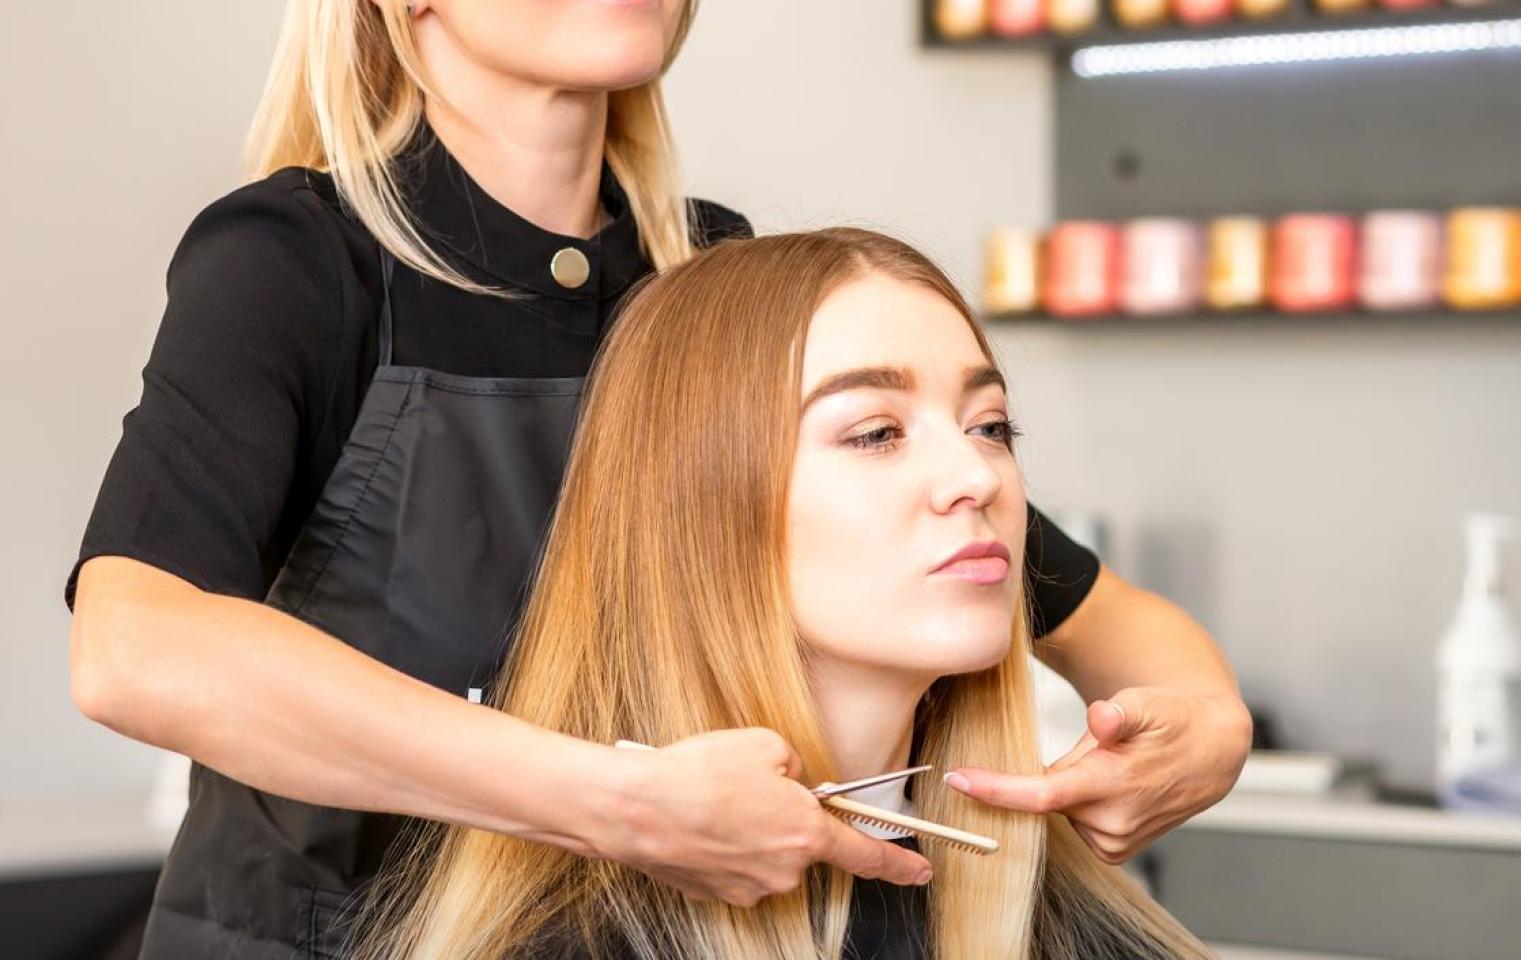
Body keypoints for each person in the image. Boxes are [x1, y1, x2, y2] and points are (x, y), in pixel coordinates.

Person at [65, 1, 1251, 957]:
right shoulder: (295, 266)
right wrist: (614, 802)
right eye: (874, 432)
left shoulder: (713, 285)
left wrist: (1206, 724)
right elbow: (136, 649)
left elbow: (1054, 589)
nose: (956, 466)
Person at [349, 226, 1215, 960]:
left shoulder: (1046, 910)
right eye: (876, 433)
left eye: (990, 427)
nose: (972, 475)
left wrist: (1213, 714)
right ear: (701, 506)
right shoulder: (568, 936)